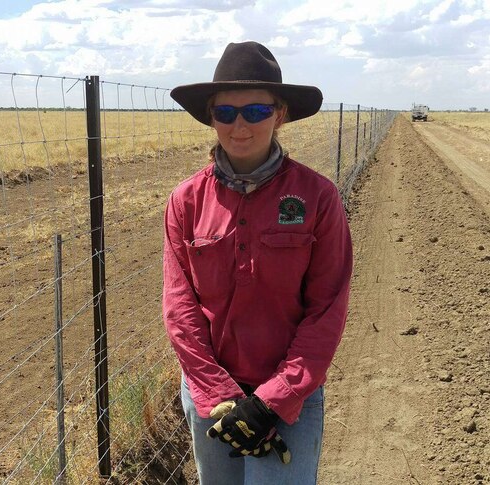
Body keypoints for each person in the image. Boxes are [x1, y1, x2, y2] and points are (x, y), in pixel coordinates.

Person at [163, 41, 353, 484]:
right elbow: (180, 309)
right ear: (211, 116)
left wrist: (272, 400)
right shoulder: (186, 202)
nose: (239, 125)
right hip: (212, 400)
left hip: (292, 400)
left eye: (255, 111)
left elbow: (327, 308)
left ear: (280, 113)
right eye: (225, 113)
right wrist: (221, 396)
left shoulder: (318, 198)